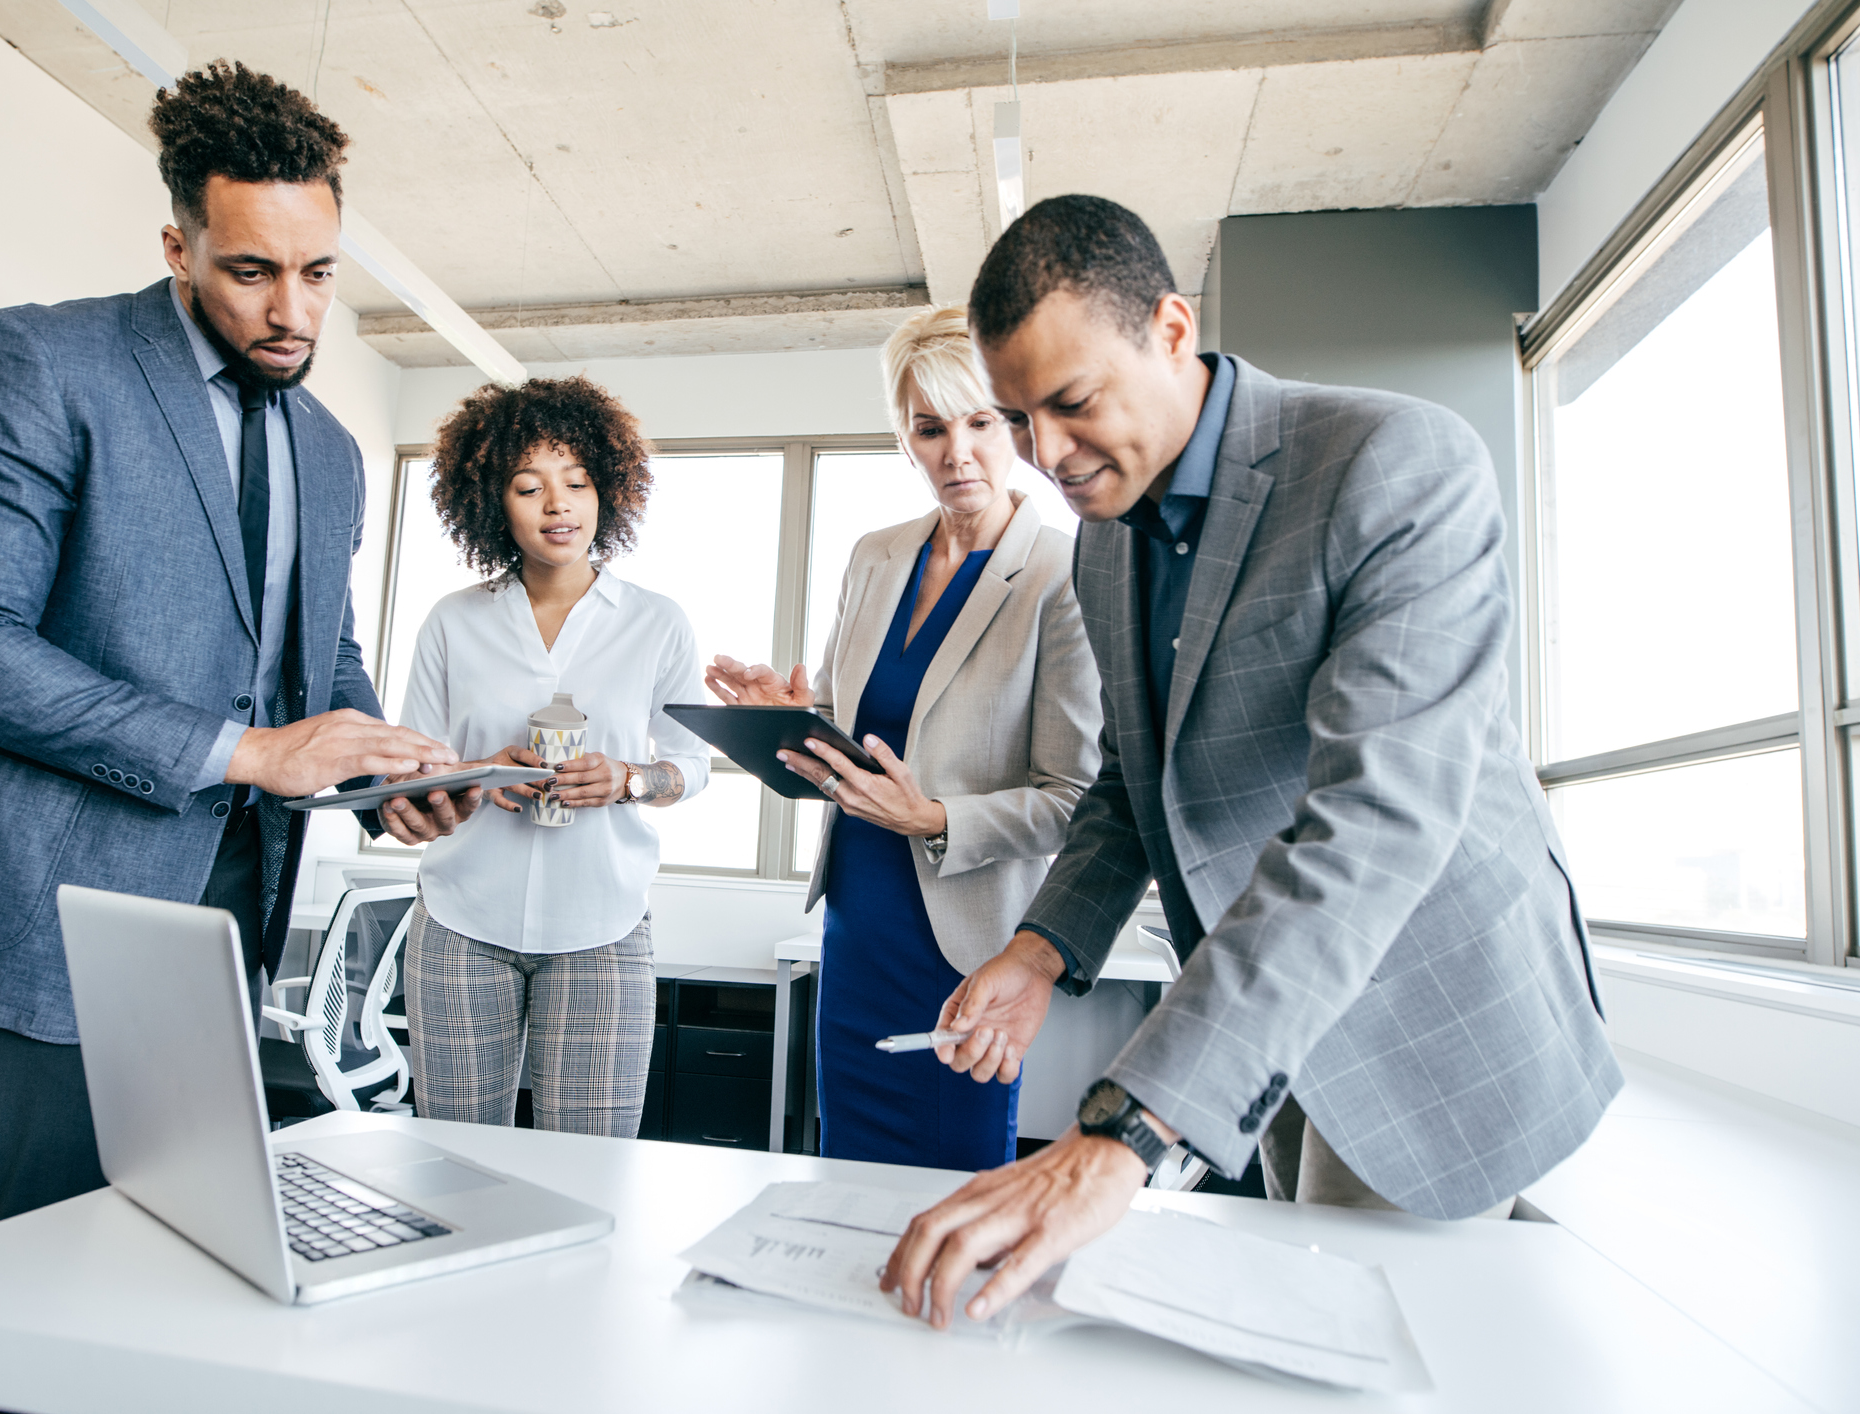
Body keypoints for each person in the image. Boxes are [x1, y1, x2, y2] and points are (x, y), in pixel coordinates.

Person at [882, 195, 1622, 1327]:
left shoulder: (1392, 461)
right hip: (1261, 1029)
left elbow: (1374, 826)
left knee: (1366, 1351)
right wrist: (1038, 950)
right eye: (1018, 417)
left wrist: (1125, 1131)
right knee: (1288, 1328)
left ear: (1170, 330)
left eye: (1071, 405)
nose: (1043, 457)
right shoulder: (1104, 541)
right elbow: (1133, 780)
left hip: (1424, 1015)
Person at [0, 62, 477, 1233]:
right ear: (178, 247)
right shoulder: (37, 362)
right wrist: (243, 750)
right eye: (251, 271)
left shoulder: (334, 449)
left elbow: (319, 663)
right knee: (36, 1262)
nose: (291, 311)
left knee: (176, 1241)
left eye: (317, 272)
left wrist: (382, 768)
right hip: (58, 905)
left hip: (235, 912)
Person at [706, 306, 1100, 1169]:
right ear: (904, 437)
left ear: (1019, 427)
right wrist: (789, 722)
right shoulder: (875, 556)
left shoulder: (1064, 572)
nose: (956, 452)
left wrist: (938, 819)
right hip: (859, 916)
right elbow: (849, 754)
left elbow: (1076, 798)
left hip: (966, 938)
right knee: (847, 1166)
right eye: (930, 428)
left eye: (980, 423)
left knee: (953, 1176)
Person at [392, 377, 710, 1138]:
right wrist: (478, 775)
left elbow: (690, 766)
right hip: (462, 921)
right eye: (529, 487)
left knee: (594, 1167)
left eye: (576, 482)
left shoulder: (657, 624)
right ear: (491, 503)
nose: (558, 504)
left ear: (609, 491)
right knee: (455, 1160)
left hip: (602, 925)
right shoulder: (453, 621)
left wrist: (629, 779)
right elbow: (414, 770)